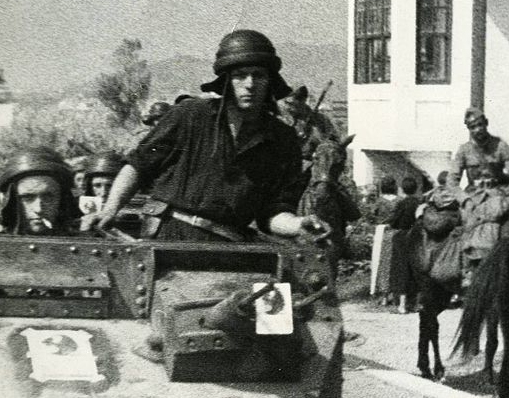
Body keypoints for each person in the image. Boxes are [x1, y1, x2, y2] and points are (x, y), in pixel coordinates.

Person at [83, 29, 327, 242]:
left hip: (227, 247)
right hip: (167, 237)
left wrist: (297, 224)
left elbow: (273, 213)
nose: (250, 84)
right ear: (226, 81)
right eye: (240, 75)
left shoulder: (282, 140)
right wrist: (109, 210)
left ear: (270, 82)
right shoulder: (190, 116)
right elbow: (138, 165)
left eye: (258, 75)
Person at [447, 108, 509, 286]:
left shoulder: (500, 146)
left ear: (486, 123)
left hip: (497, 193)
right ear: (468, 128)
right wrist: (464, 199)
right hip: (473, 196)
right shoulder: (464, 150)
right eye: (473, 127)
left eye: (480, 125)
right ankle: (467, 268)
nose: (477, 129)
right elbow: (451, 181)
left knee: (505, 220)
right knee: (467, 222)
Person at [0, 148, 79, 236]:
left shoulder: (83, 237)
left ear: (61, 199)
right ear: (11, 200)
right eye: (27, 197)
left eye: (48, 197)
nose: (38, 209)